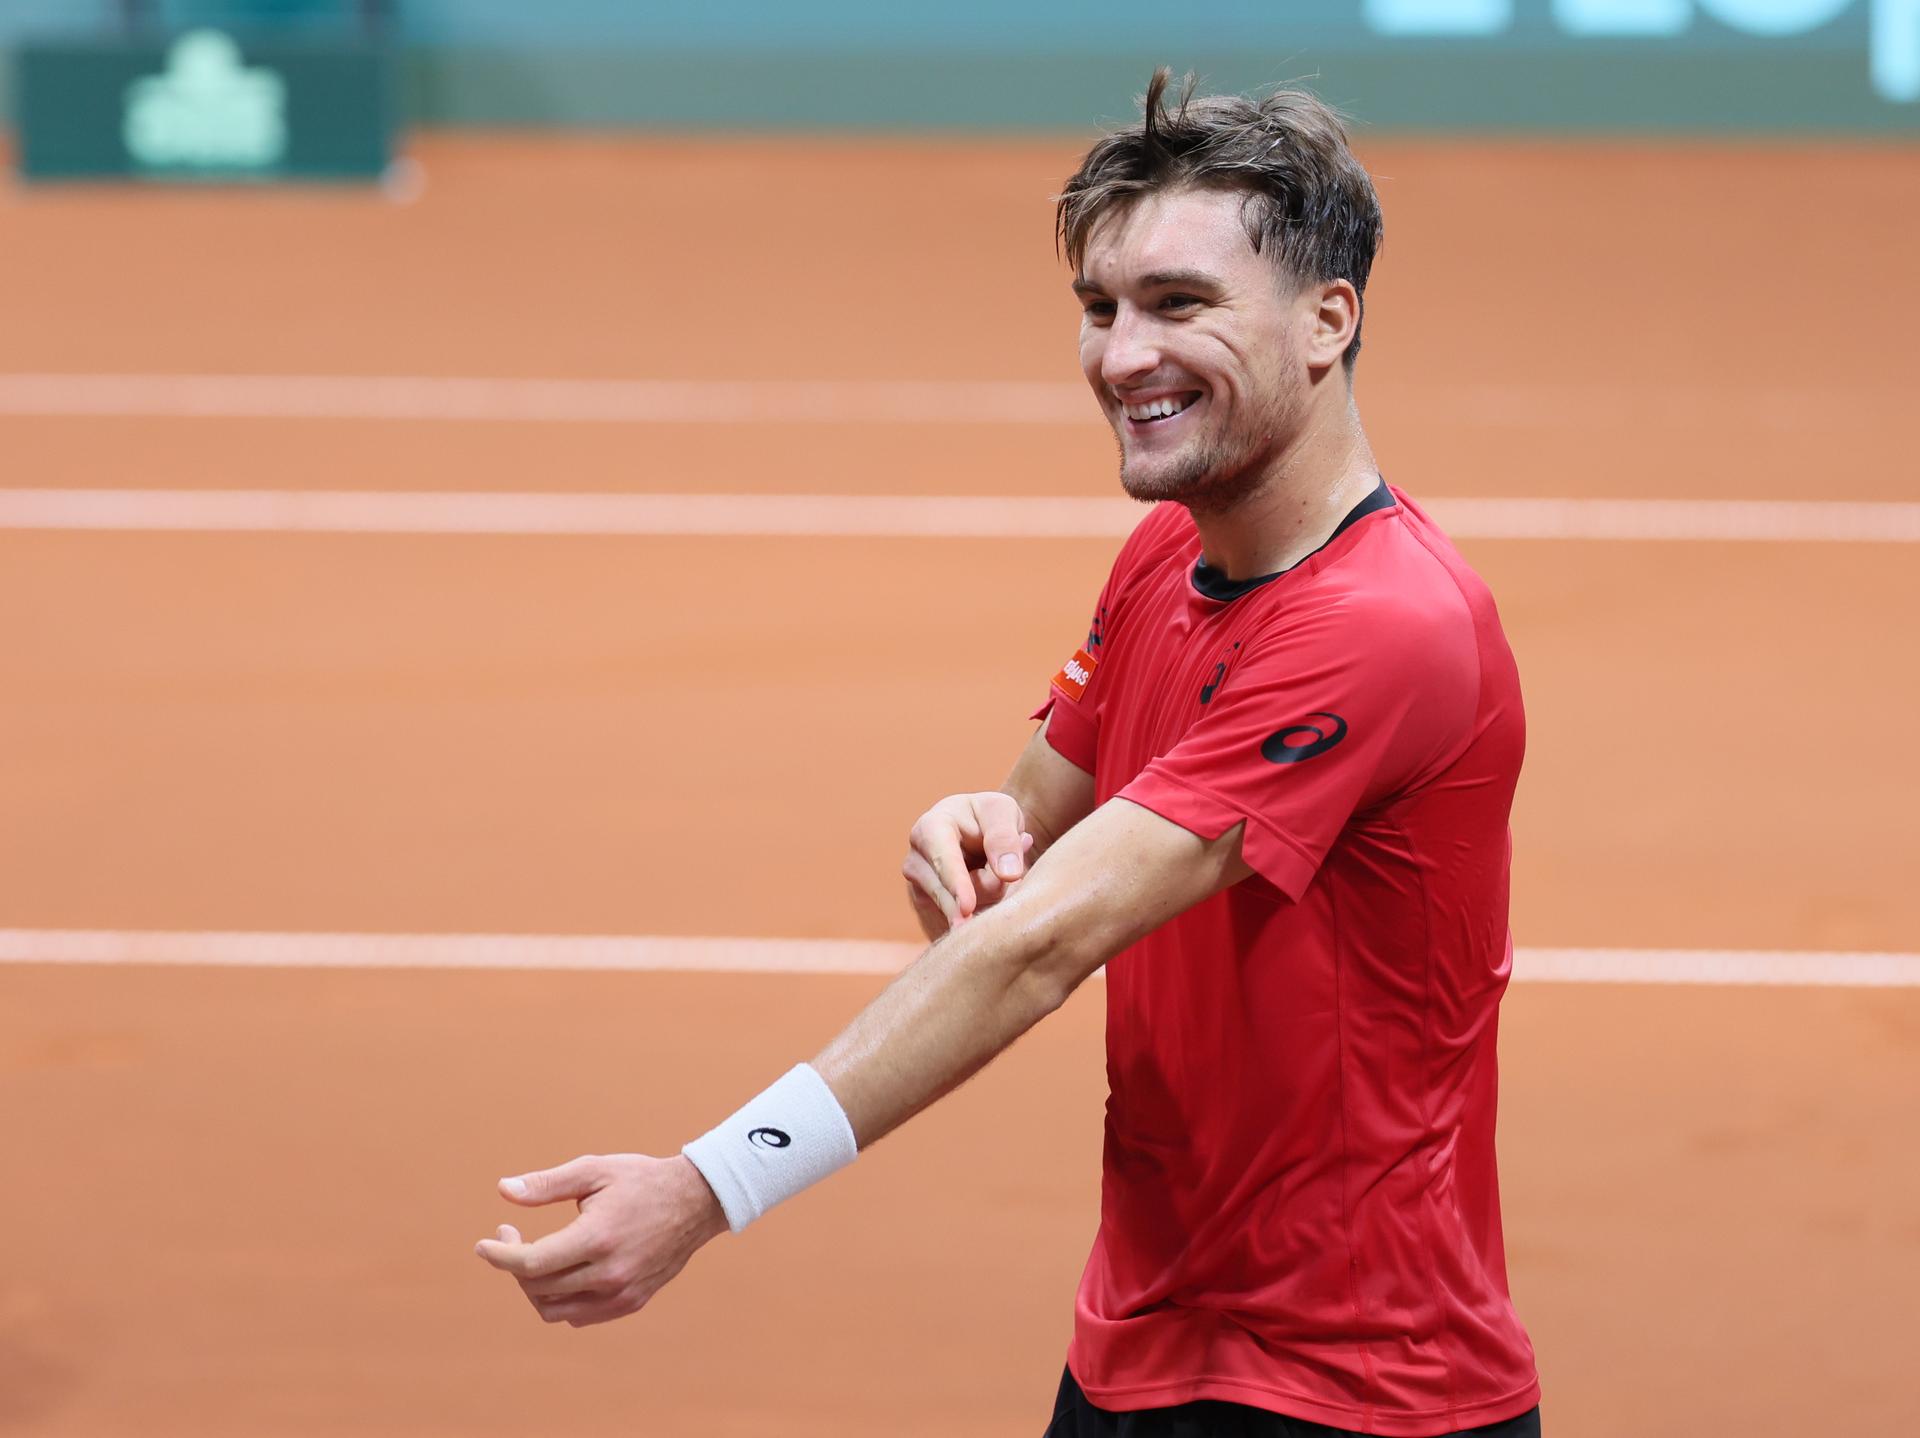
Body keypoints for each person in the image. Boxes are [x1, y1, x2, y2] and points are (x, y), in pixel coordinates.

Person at [475, 70, 1542, 1438]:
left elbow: (1034, 947)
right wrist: (962, 827)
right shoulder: (1169, 550)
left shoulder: (1386, 625)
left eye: (1178, 303)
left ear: (1328, 320)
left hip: (1355, 1388)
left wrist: (706, 1185)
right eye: (1100, 308)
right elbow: (1003, 871)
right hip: (1142, 1339)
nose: (1119, 355)